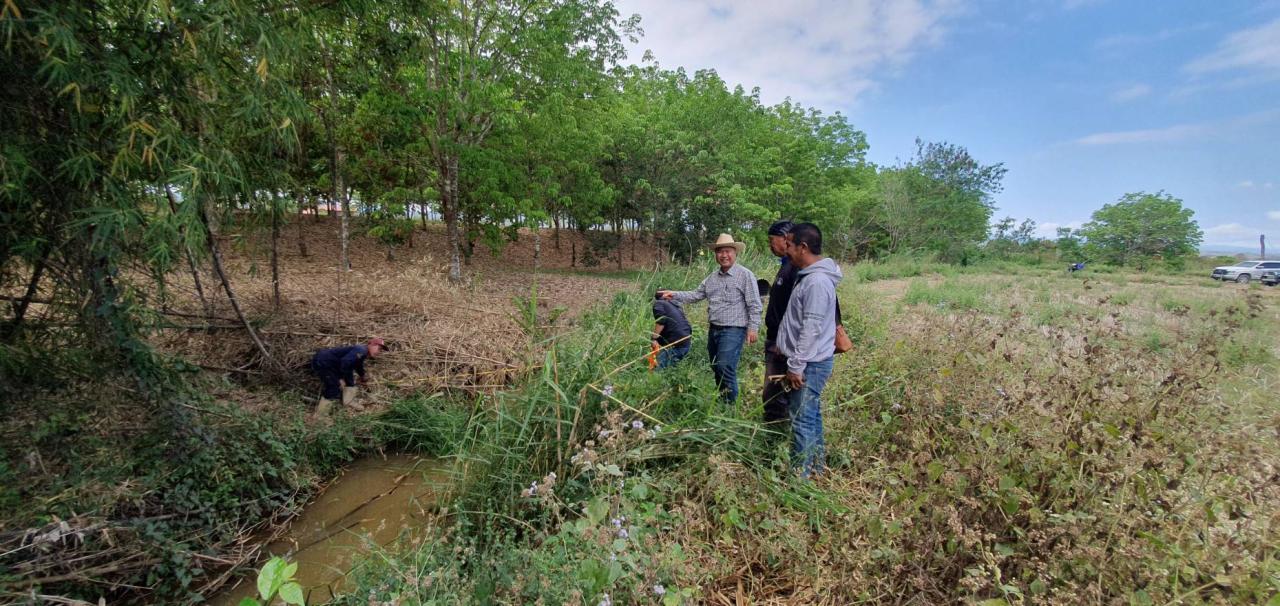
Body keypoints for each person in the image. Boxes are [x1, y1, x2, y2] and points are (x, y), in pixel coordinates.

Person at [659, 233, 763, 403]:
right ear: (716, 254)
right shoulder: (712, 278)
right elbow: (696, 295)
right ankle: (723, 401)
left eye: (728, 251)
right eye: (720, 251)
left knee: (725, 366)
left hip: (734, 330)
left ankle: (730, 406)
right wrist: (674, 294)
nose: (724, 255)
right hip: (714, 329)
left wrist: (753, 328)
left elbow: (754, 304)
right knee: (716, 366)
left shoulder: (745, 275)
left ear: (735, 253)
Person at [775, 223, 842, 477]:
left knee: (801, 421)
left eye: (790, 244)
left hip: (810, 364)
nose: (786, 249)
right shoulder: (809, 277)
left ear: (803, 247)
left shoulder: (815, 282)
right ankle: (816, 468)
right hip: (810, 361)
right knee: (811, 417)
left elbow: (811, 328)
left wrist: (795, 364)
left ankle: (799, 479)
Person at [762, 220, 797, 426]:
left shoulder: (795, 270)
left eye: (771, 240)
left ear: (786, 239)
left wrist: (782, 342)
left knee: (775, 393)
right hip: (777, 339)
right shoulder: (785, 266)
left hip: (782, 343)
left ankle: (777, 434)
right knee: (774, 391)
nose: (770, 245)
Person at [310, 337, 384, 419]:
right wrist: (340, 378)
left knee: (350, 381)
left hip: (333, 364)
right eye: (379, 348)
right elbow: (345, 362)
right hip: (323, 362)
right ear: (372, 344)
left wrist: (362, 376)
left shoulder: (363, 352)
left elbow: (358, 365)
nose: (379, 352)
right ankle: (320, 416)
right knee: (334, 387)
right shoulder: (361, 350)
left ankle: (348, 401)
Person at [651, 293, 692, 369]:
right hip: (686, 341)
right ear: (665, 296)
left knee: (658, 367)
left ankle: (654, 379)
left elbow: (661, 321)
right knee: (670, 368)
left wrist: (654, 339)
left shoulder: (659, 303)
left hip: (677, 343)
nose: (672, 296)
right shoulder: (674, 305)